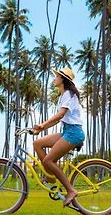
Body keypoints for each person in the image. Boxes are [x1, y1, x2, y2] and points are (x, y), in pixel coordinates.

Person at [32, 67, 85, 207]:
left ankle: (71, 190)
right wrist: (40, 129)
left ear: (63, 79)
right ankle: (50, 177)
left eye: (56, 77)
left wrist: (42, 125)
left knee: (48, 160)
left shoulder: (68, 94)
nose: (54, 79)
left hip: (74, 133)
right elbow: (58, 119)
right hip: (67, 131)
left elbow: (60, 115)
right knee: (37, 143)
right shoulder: (63, 96)